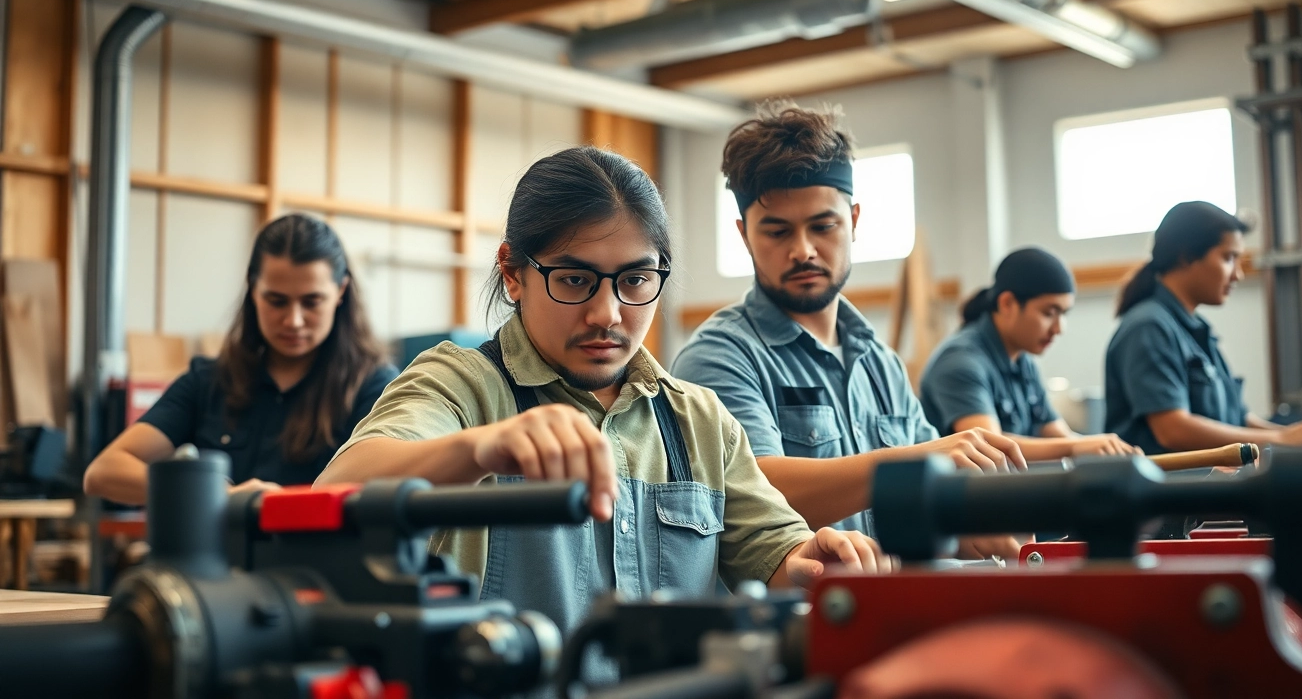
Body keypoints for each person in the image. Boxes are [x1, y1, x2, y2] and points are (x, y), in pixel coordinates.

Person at [316, 146, 889, 649]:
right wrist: (480, 448)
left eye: (635, 280)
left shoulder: (699, 421)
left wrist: (815, 563)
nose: (607, 314)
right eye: (574, 280)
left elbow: (774, 553)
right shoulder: (461, 386)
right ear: (513, 273)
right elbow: (335, 493)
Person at [670, 102, 1024, 559]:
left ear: (853, 221)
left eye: (823, 226)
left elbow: (929, 501)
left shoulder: (881, 364)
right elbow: (754, 495)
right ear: (744, 236)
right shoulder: (719, 357)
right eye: (777, 232)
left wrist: (970, 532)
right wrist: (917, 461)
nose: (803, 250)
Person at [84, 214, 397, 505]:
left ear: (341, 291)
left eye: (312, 302)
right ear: (253, 289)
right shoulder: (209, 381)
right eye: (277, 301)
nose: (294, 320)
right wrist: (222, 496)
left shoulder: (376, 388)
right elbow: (103, 472)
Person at [1105, 200, 1302, 454]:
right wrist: (1281, 438)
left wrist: (1298, 438)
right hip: (1169, 480)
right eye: (1229, 258)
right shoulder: (1148, 327)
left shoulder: (1195, 330)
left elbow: (1237, 418)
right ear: (1186, 256)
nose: (1238, 274)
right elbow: (1173, 430)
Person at [920, 247, 1137, 459]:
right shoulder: (960, 362)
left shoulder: (1023, 362)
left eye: (1063, 314)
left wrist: (1106, 448)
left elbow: (1058, 435)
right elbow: (990, 447)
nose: (1059, 329)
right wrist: (1075, 447)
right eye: (1049, 313)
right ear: (1007, 304)